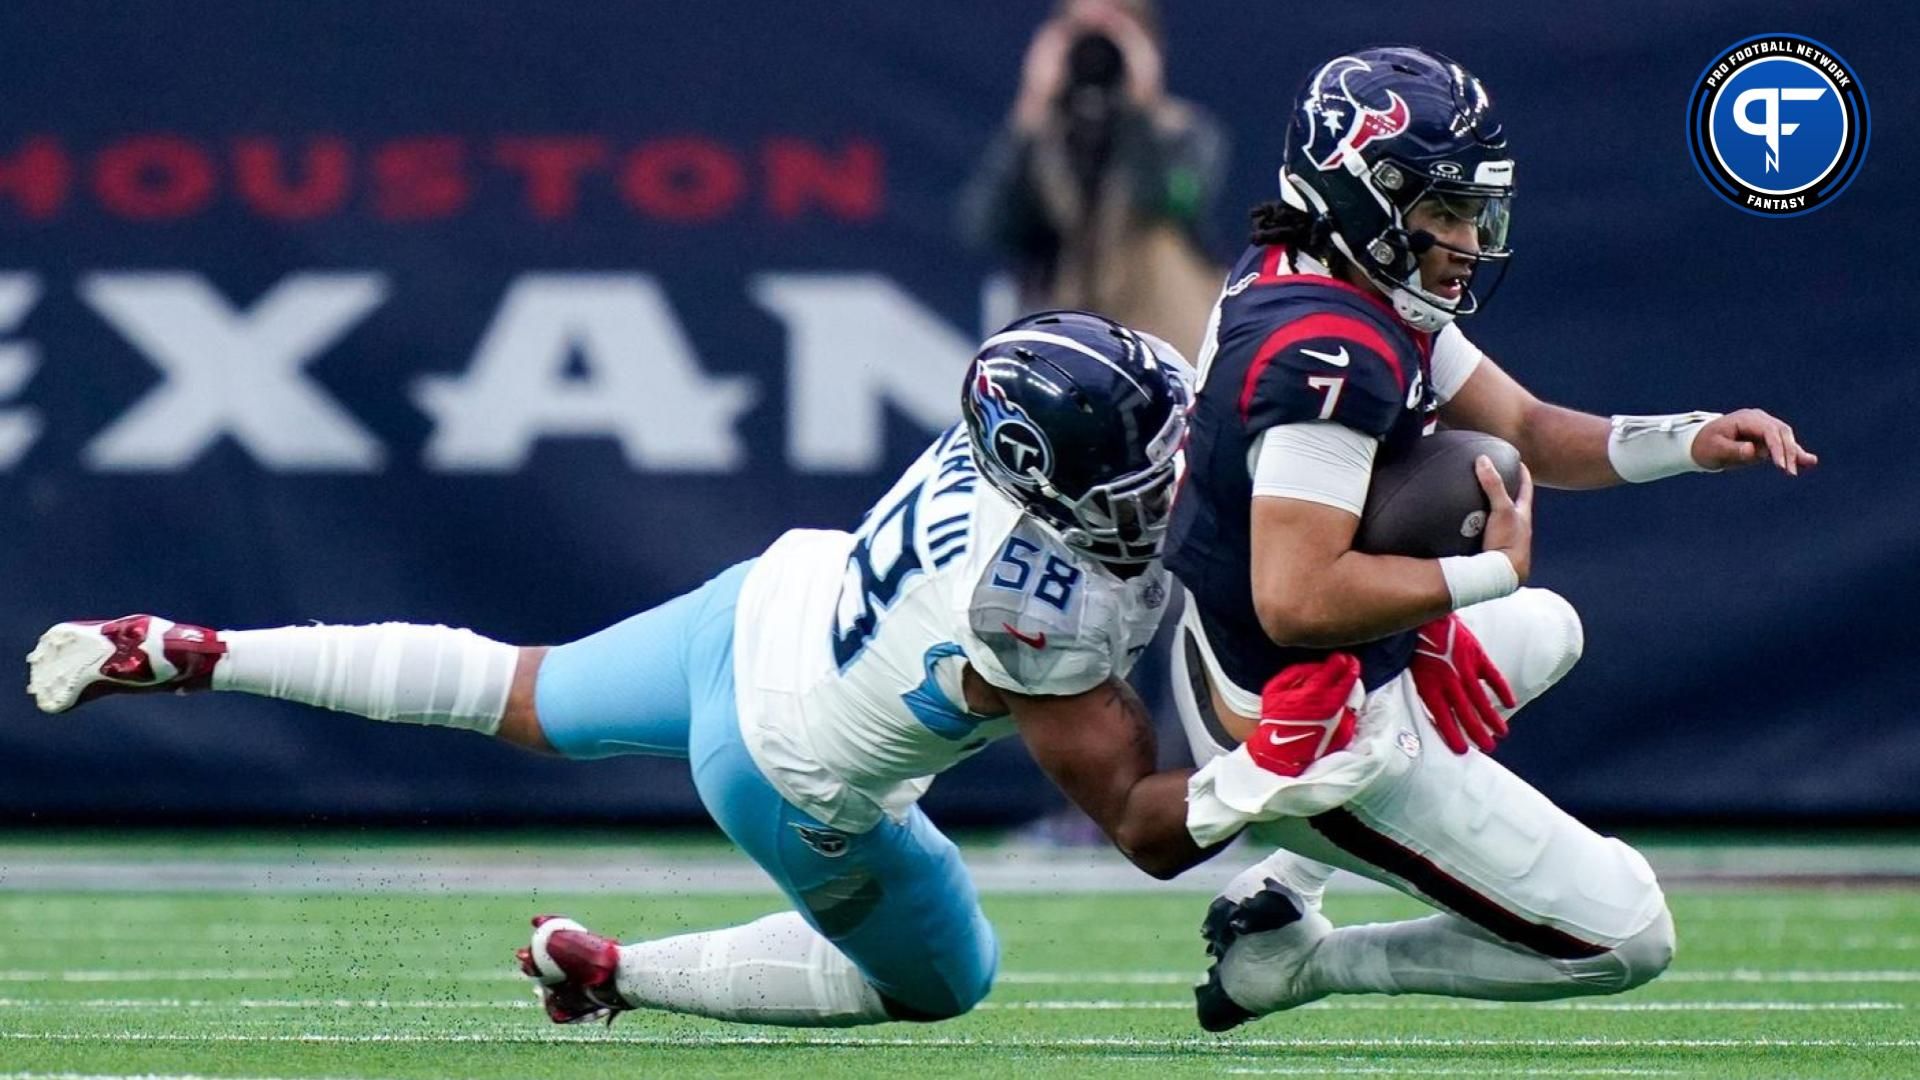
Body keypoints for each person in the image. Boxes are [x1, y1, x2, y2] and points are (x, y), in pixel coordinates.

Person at [27, 310, 1223, 1028]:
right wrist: (1287, 759)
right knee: (946, 983)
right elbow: (1144, 827)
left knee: (514, 689)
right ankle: (614, 977)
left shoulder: (1040, 433)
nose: (1171, 468)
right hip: (783, 765)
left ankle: (199, 654)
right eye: (1145, 462)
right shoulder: (1035, 612)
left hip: (763, 607)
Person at [1160, 47, 1818, 1031]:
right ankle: (1296, 968)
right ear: (1363, 193)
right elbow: (1294, 599)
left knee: (1547, 624)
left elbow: (1531, 432)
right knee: (1628, 939)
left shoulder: (1342, 270)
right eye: (1445, 210)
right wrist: (1478, 575)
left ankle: (1283, 887)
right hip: (1301, 725)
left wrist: (1693, 440)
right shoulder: (1324, 353)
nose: (1468, 237)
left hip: (1283, 658)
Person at [959, 0, 1226, 357]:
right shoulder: (1043, 134)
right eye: (1082, 32)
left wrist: (1139, 108)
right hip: (1065, 343)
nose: (1098, 49)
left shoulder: (1184, 131)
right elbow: (984, 225)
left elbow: (1176, 201)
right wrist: (1031, 108)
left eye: (1115, 30)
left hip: (1169, 344)